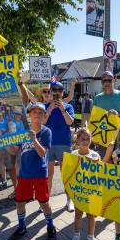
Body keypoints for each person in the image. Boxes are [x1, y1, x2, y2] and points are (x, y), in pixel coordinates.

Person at [7, 102, 56, 240]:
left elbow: (43, 153)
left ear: (44, 115)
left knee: (44, 203)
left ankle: (51, 227)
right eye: (34, 112)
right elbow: (14, 151)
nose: (37, 114)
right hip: (24, 173)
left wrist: (34, 139)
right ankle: (22, 227)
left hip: (40, 173)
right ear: (29, 115)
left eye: (40, 112)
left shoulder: (46, 132)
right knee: (20, 202)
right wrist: (7, 143)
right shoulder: (22, 132)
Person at [44, 81, 75, 212]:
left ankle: (69, 201)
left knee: (66, 174)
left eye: (59, 90)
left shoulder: (68, 106)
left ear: (63, 93)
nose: (57, 93)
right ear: (50, 92)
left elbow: (69, 122)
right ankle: (46, 202)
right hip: (49, 144)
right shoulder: (45, 106)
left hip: (64, 143)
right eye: (54, 90)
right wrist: (50, 109)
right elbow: (42, 123)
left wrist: (62, 109)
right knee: (48, 175)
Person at [69, 128, 101, 240]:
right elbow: (69, 173)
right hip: (78, 191)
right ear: (77, 140)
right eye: (83, 139)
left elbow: (101, 175)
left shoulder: (95, 155)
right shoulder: (73, 154)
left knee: (91, 215)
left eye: (88, 139)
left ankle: (90, 237)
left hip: (91, 192)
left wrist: (96, 164)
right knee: (78, 213)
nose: (86, 141)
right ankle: (76, 235)